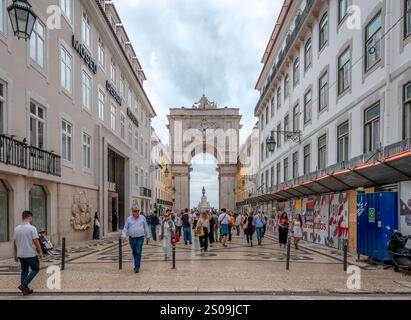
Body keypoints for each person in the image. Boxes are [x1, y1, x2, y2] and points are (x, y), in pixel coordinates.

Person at [13, 211, 43, 296]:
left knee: (24, 271)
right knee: (35, 269)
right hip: (31, 254)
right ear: (29, 217)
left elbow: (14, 243)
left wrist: (15, 254)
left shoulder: (17, 228)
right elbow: (36, 241)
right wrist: (40, 252)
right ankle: (24, 285)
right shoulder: (32, 228)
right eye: (31, 218)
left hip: (21, 254)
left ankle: (25, 290)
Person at [121, 207, 151, 273]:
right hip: (131, 238)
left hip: (140, 237)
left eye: (138, 211)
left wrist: (148, 235)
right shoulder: (129, 219)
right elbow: (125, 228)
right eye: (135, 211)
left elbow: (146, 227)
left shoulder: (142, 218)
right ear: (132, 212)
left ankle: (137, 266)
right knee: (134, 252)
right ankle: (137, 263)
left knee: (138, 251)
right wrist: (124, 235)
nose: (137, 212)